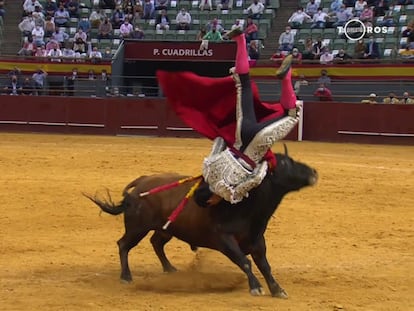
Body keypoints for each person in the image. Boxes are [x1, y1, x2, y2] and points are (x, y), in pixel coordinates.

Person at [157, 29, 300, 205]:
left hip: (257, 144)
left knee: (292, 115)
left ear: (210, 200)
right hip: (240, 133)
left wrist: (266, 166)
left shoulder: (227, 192)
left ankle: (286, 79)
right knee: (243, 84)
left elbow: (254, 180)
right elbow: (219, 141)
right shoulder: (207, 169)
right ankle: (240, 39)